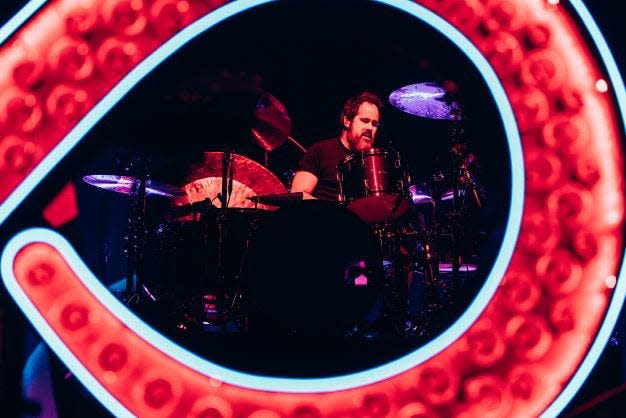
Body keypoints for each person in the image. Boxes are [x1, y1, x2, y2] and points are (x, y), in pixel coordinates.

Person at [290, 92, 383, 200]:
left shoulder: (374, 161)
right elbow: (298, 193)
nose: (370, 128)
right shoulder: (321, 150)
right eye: (365, 121)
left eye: (374, 124)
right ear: (347, 121)